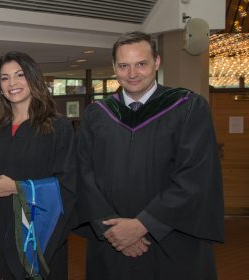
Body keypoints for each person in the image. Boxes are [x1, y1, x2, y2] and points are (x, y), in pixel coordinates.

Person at [76, 31, 225, 279]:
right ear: (114, 67)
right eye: (124, 66)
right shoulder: (97, 114)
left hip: (171, 240)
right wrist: (111, 228)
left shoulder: (188, 107)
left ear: (156, 62)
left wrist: (144, 224)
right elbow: (82, 174)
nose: (132, 73)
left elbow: (196, 174)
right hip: (112, 241)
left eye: (141, 64)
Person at [0, 52, 76, 280]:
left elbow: (69, 183)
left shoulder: (57, 128)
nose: (12, 83)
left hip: (39, 234)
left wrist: (18, 188)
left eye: (19, 75)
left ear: (33, 79)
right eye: (4, 78)